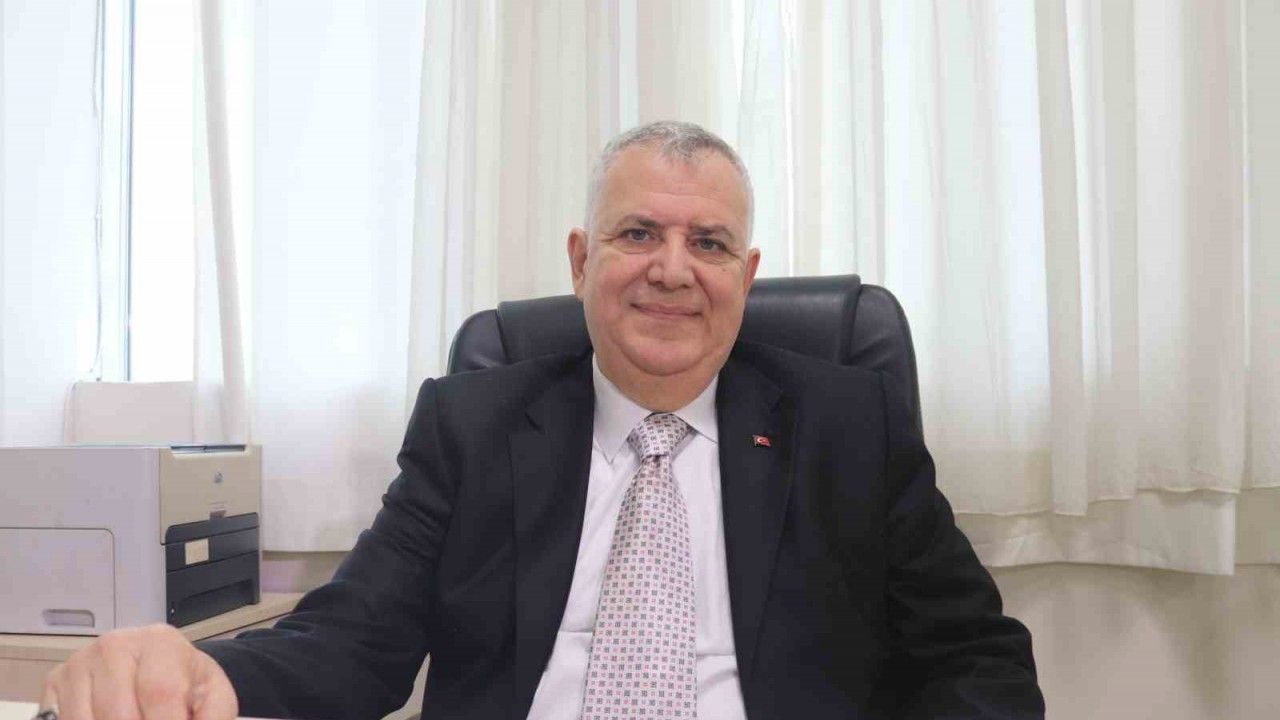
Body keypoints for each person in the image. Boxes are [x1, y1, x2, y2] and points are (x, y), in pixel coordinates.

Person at [41, 121, 1044, 719]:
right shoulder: (473, 424)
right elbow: (352, 640)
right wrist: (200, 674)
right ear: (579, 260)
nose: (671, 270)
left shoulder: (847, 424)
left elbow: (975, 658)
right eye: (637, 232)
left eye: (707, 243)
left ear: (745, 277)